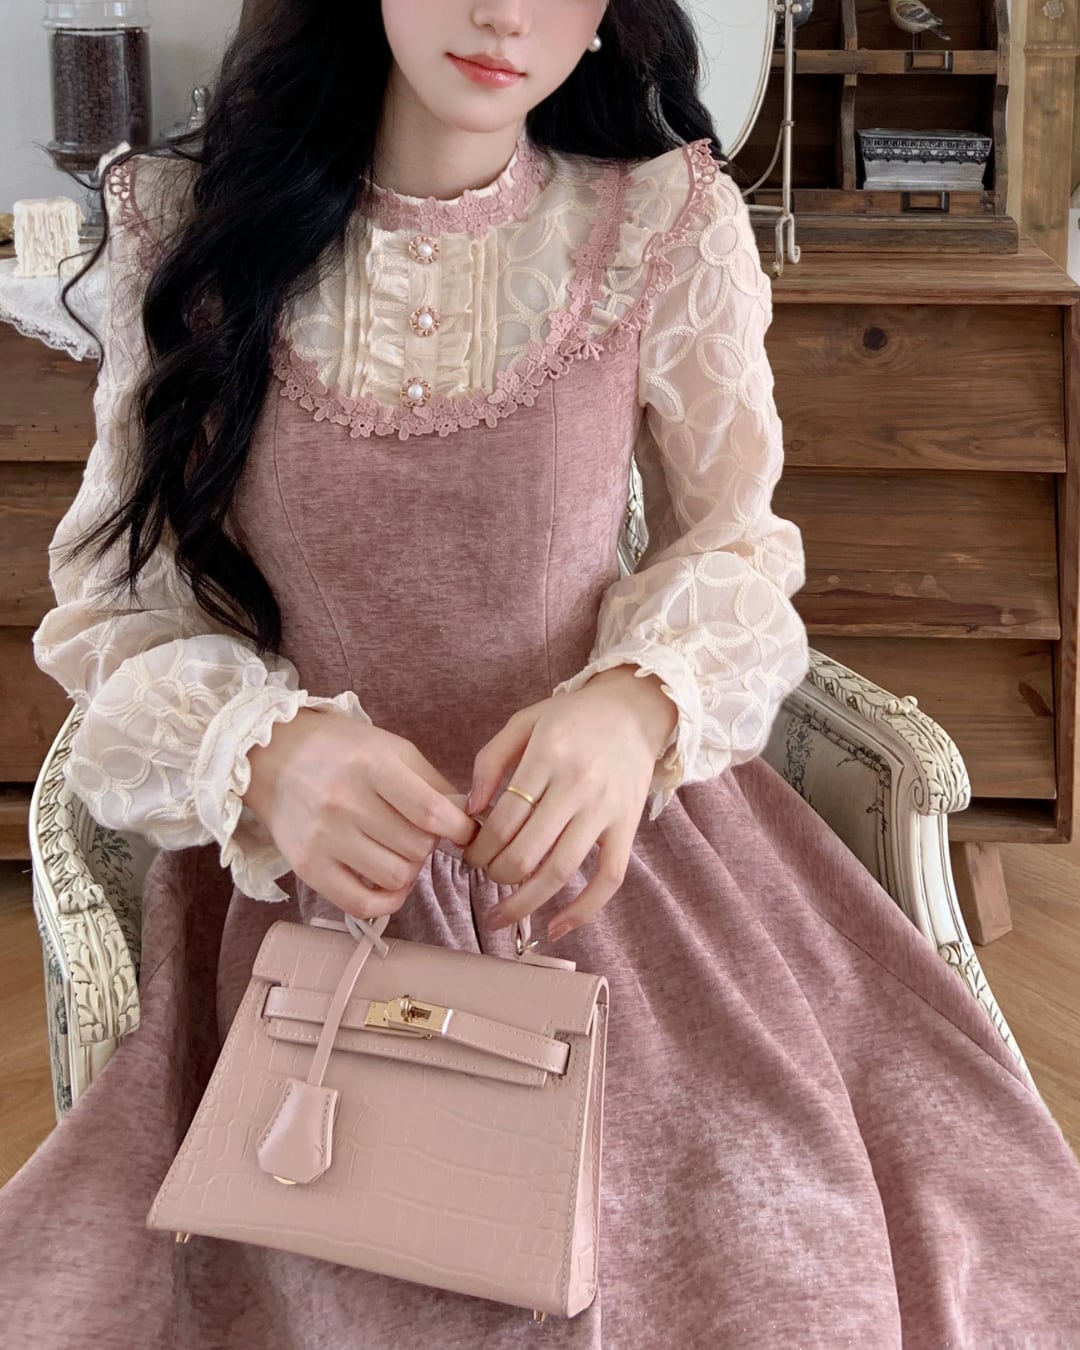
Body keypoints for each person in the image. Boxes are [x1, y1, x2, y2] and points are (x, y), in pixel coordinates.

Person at [1, 1, 1078, 1345]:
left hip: (612, 866)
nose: (507, 13)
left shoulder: (662, 224)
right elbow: (115, 608)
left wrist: (634, 705)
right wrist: (265, 751)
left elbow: (734, 548)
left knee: (770, 1250)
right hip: (315, 894)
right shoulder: (186, 230)